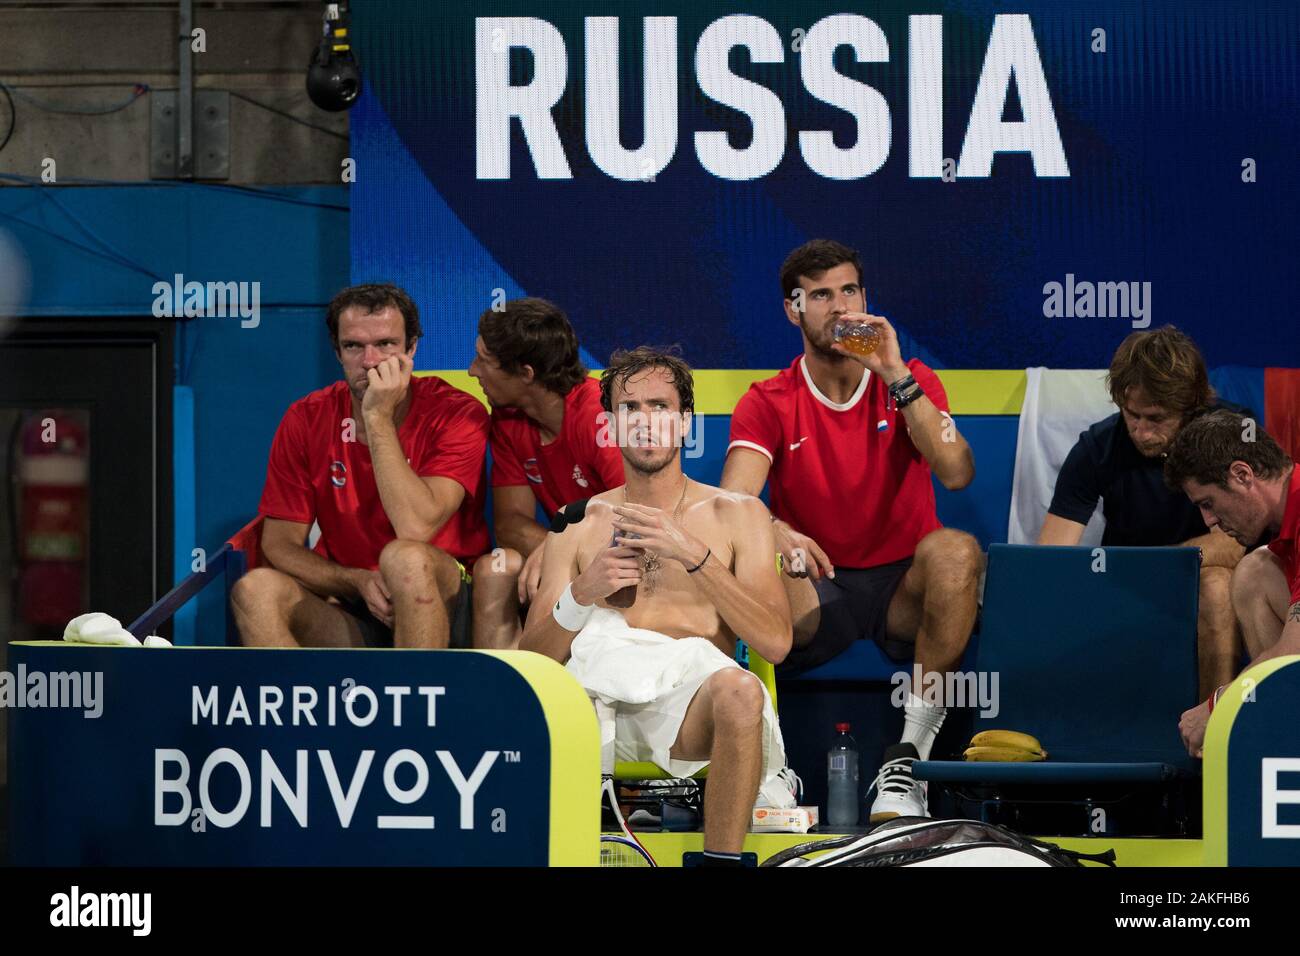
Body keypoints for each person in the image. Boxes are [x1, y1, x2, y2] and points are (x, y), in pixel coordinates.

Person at [720, 238, 980, 823]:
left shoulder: (911, 379)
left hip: (902, 592)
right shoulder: (768, 399)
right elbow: (734, 501)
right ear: (794, 309)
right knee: (743, 552)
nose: (840, 307)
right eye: (820, 295)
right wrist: (774, 526)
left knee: (956, 551)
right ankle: (767, 765)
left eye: (849, 291)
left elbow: (957, 472)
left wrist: (893, 372)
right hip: (819, 586)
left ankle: (908, 760)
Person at [522, 347, 793, 864]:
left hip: (686, 713)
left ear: (685, 422)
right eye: (631, 409)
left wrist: (695, 555)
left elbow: (776, 643)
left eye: (661, 407)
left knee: (740, 691)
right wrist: (583, 594)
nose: (647, 423)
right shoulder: (576, 523)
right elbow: (533, 660)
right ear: (611, 425)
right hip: (593, 711)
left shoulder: (739, 514)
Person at [231, 283, 489, 648]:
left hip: (442, 597)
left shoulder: (457, 412)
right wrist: (355, 581)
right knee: (255, 588)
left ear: (412, 347)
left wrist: (377, 417)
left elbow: (415, 527)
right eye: (354, 346)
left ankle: (415, 702)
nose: (369, 361)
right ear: (337, 352)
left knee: (405, 560)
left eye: (385, 344)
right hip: (355, 605)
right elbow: (280, 544)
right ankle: (302, 705)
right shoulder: (306, 417)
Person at [1039, 325, 1248, 697]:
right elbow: (1050, 559)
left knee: (1217, 585)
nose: (1140, 431)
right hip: (1125, 591)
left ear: (1191, 406)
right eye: (1131, 414)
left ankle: (1215, 734)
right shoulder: (1096, 448)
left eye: (1155, 419)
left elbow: (1240, 543)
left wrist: (1164, 565)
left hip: (1199, 585)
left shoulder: (1233, 435)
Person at [467, 298, 623, 648]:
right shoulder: (508, 421)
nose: (472, 371)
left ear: (526, 373)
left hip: (621, 568)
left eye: (484, 360)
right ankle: (496, 690)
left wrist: (560, 547)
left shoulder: (598, 413)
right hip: (567, 558)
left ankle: (539, 681)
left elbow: (637, 516)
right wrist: (556, 546)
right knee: (496, 567)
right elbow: (509, 524)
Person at [1163, 409, 1298, 757]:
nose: (1210, 522)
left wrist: (1217, 706)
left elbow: (1293, 652)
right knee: (1254, 572)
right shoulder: (1282, 543)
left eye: (1208, 503)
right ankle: (1282, 747)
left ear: (1242, 475)